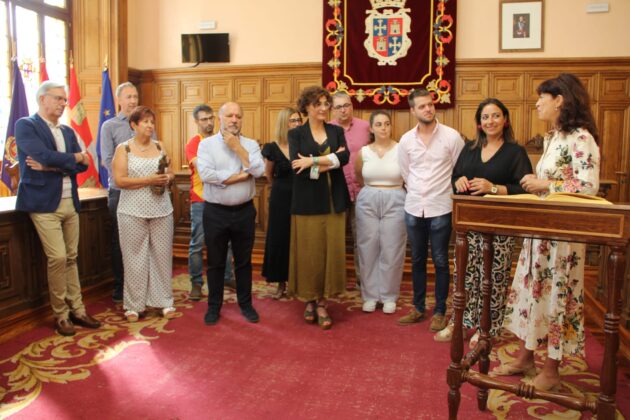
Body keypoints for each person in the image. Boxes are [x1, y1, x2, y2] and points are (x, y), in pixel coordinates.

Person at [492, 74, 601, 391]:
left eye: (543, 97)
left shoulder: (581, 138)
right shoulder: (555, 137)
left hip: (563, 239)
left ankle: (552, 370)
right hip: (541, 233)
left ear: (560, 100)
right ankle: (527, 356)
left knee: (556, 298)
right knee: (533, 293)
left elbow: (588, 185)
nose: (537, 103)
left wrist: (545, 184)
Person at [433, 98, 533, 344]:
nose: (490, 121)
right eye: (485, 117)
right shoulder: (469, 148)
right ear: (479, 123)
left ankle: (487, 326)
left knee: (492, 277)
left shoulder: (515, 152)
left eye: (496, 115)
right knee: (465, 276)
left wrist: (494, 188)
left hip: (499, 225)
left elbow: (526, 189)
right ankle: (460, 321)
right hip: (468, 224)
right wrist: (458, 181)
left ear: (505, 120)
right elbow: (456, 175)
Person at [15, 81, 101, 336]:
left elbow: (85, 164)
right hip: (42, 204)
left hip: (69, 201)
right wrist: (71, 159)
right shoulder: (26, 125)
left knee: (72, 258)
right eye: (59, 99)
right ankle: (61, 315)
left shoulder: (66, 131)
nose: (65, 103)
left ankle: (78, 309)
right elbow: (41, 156)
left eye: (65, 99)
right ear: (43, 99)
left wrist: (55, 166)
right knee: (59, 258)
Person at [397, 88, 464, 332]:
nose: (428, 109)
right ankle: (417, 307)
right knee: (416, 259)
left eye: (430, 104)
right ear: (413, 110)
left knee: (440, 260)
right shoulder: (406, 140)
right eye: (422, 106)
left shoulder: (451, 137)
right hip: (414, 207)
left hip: (440, 206)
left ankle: (439, 311)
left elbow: (459, 170)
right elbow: (405, 172)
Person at [197, 102, 265, 325]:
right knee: (216, 262)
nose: (234, 119)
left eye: (238, 116)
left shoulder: (250, 144)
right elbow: (207, 175)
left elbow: (258, 170)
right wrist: (238, 175)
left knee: (244, 262)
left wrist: (237, 148)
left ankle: (246, 304)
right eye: (229, 116)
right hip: (215, 212)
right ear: (220, 119)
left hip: (244, 212)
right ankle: (214, 307)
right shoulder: (206, 145)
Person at [288, 86, 350, 330]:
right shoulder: (296, 135)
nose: (324, 108)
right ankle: (310, 299)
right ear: (307, 108)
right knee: (310, 252)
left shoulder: (335, 130)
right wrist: (331, 161)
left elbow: (344, 159)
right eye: (318, 104)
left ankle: (323, 301)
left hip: (334, 200)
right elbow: (296, 168)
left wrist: (313, 161)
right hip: (307, 201)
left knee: (330, 251)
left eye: (327, 103)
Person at [112, 106, 175, 322]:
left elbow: (169, 171)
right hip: (131, 211)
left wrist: (168, 178)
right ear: (133, 125)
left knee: (162, 257)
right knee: (134, 258)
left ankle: (164, 302)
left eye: (152, 122)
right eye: (145, 122)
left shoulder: (160, 146)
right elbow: (119, 181)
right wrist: (148, 180)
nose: (149, 126)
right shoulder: (124, 149)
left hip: (162, 210)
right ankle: (133, 306)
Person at [354, 110, 406, 314]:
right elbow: (359, 176)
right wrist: (373, 191)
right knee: (367, 247)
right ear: (372, 128)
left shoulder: (401, 149)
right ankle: (370, 296)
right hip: (368, 199)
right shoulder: (364, 152)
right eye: (379, 124)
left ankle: (389, 296)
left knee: (392, 248)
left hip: (396, 198)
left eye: (387, 124)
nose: (383, 128)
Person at [185, 104, 236, 301]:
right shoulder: (194, 143)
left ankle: (227, 277)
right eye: (204, 119)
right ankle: (196, 283)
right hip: (201, 199)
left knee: (227, 242)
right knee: (197, 243)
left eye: (211, 118)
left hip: (222, 197)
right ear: (197, 122)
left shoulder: (222, 140)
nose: (208, 122)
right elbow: (202, 167)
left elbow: (232, 164)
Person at [100, 82, 145, 303]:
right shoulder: (109, 126)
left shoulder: (144, 124)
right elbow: (107, 160)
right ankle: (121, 286)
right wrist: (133, 177)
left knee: (142, 240)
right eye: (128, 97)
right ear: (119, 100)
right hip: (120, 193)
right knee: (120, 241)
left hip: (144, 192)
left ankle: (142, 285)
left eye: (135, 96)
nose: (133, 101)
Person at [330, 92, 370, 287]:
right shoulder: (327, 128)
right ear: (332, 109)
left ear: (352, 106)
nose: (343, 109)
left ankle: (362, 281)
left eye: (346, 105)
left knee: (361, 239)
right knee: (335, 240)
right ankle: (336, 281)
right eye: (338, 107)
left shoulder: (365, 127)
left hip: (362, 191)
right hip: (336, 191)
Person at [261, 107, 301, 299]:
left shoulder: (302, 145)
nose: (297, 124)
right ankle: (280, 283)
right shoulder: (272, 147)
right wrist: (281, 188)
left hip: (302, 198)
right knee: (280, 239)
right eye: (293, 120)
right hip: (280, 198)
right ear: (284, 123)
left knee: (299, 239)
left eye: (298, 120)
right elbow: (268, 174)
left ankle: (299, 282)